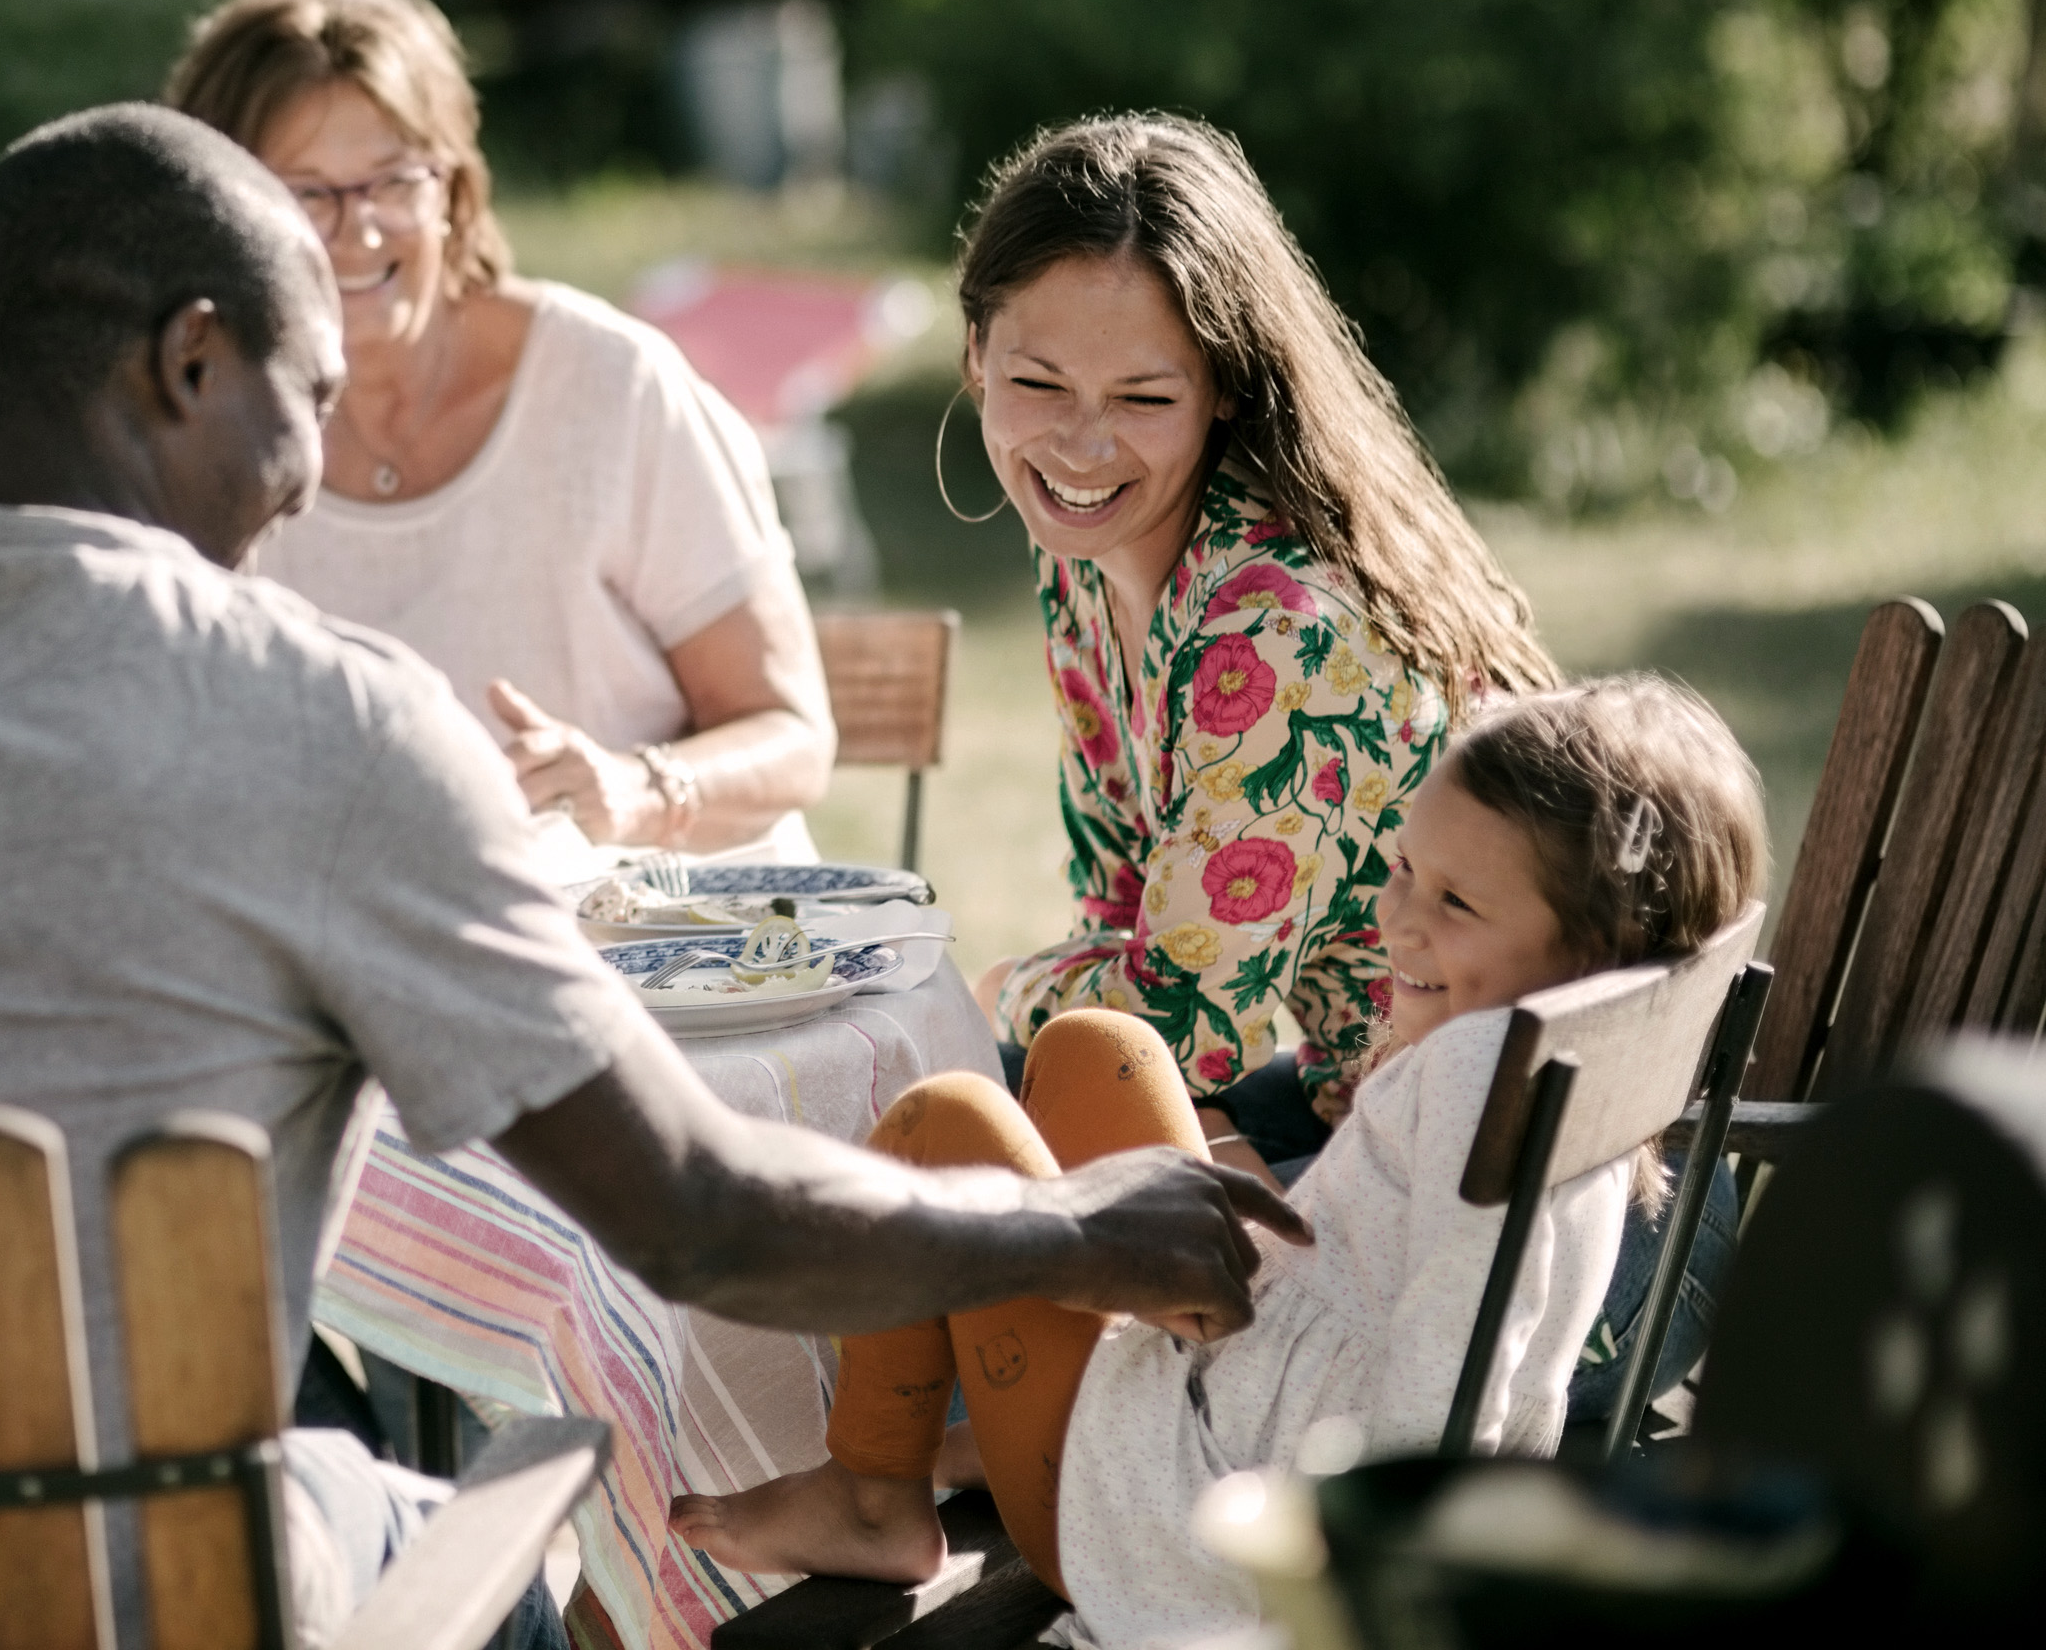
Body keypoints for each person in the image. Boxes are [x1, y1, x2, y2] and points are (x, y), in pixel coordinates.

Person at [0, 104, 1300, 1650]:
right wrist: (1077, 1233)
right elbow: (693, 1215)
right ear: (189, 361)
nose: (315, 466)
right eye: (307, 397)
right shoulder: (337, 727)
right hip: (134, 1609)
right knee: (485, 1532)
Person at [671, 676, 1764, 1645]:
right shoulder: (1559, 1063)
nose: (1397, 920)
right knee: (1099, 1050)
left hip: (1165, 1521)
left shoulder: (1488, 1077)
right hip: (1229, 1397)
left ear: (1600, 950)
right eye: (1404, 871)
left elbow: (1440, 1404)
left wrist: (1351, 1585)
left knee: (945, 1123)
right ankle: (973, 1444)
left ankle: (873, 1490)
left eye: (1456, 902)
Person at [942, 115, 1560, 1177]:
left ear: (1227, 388)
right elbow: (1122, 905)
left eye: (1143, 398)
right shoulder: (1086, 562)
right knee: (988, 1145)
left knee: (984, 1136)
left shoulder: (1276, 637)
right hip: (1377, 1118)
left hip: (1535, 1207)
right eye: (1038, 384)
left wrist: (995, 985)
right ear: (975, 358)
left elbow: (1175, 1030)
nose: (1081, 447)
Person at [165, 0, 834, 859]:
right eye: (307, 192)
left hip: (674, 963)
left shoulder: (613, 388)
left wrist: (635, 791)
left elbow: (791, 736)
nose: (358, 231)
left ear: (454, 191)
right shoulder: (191, 422)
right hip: (351, 959)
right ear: (224, 211)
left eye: (392, 181)